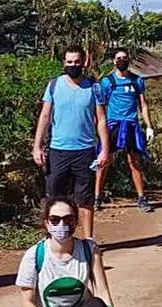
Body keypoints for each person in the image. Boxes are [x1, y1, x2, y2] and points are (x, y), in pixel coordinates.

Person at [15, 197, 119, 307]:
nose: (61, 225)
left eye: (68, 219)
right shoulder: (34, 255)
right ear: (46, 223)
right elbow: (27, 302)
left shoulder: (89, 249)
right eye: (55, 219)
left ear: (76, 221)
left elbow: (102, 291)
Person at [33, 45, 111, 240]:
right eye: (69, 62)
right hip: (58, 151)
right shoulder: (54, 85)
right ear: (64, 63)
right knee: (54, 199)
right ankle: (53, 240)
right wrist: (37, 146)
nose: (73, 65)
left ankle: (88, 242)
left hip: (85, 152)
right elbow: (45, 116)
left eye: (76, 62)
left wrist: (104, 150)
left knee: (85, 200)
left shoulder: (94, 88)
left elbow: (101, 120)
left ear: (84, 62)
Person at [95, 48, 155, 213]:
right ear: (114, 61)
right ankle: (97, 197)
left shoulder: (137, 81)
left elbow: (143, 105)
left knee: (135, 162)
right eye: (119, 58)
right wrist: (98, 127)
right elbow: (100, 106)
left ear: (129, 60)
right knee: (103, 161)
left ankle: (141, 198)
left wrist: (149, 126)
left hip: (131, 125)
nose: (122, 60)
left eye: (124, 58)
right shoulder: (107, 82)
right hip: (113, 125)